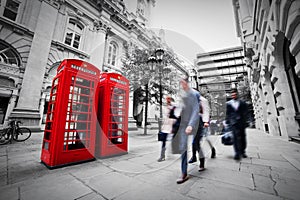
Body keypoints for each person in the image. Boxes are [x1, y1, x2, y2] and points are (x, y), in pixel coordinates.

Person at [175, 77, 199, 184]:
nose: (182, 86)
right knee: (183, 147)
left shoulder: (194, 94)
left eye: (183, 83)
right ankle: (184, 173)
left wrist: (191, 125)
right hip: (183, 124)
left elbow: (196, 110)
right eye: (180, 84)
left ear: (187, 83)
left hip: (194, 124)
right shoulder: (182, 95)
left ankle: (201, 161)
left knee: (196, 144)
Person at [189, 94, 216, 171]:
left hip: (202, 123)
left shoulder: (202, 102)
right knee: (194, 142)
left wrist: (206, 121)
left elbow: (206, 112)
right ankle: (194, 157)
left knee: (204, 140)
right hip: (195, 124)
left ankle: (205, 158)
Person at [225, 88, 249, 160]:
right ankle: (237, 153)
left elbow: (246, 112)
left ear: (237, 94)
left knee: (242, 137)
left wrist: (246, 121)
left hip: (241, 122)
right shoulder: (228, 104)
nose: (233, 96)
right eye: (232, 95)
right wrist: (227, 122)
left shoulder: (242, 102)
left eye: (235, 94)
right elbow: (227, 114)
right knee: (235, 138)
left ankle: (243, 151)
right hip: (233, 123)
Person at [157, 96, 177, 162]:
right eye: (167, 100)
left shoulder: (174, 108)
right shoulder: (165, 108)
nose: (167, 101)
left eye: (168, 100)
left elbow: (176, 116)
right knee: (163, 140)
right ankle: (162, 156)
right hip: (166, 125)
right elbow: (165, 116)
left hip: (172, 124)